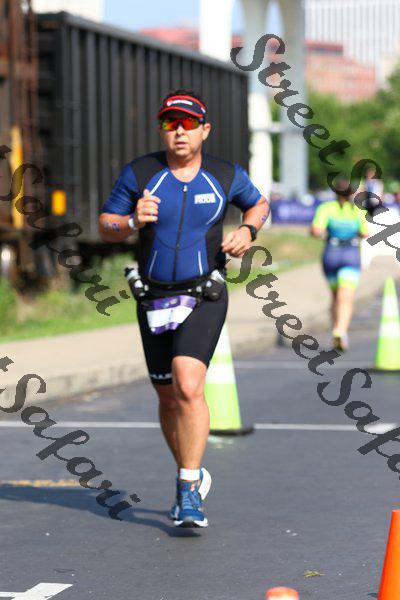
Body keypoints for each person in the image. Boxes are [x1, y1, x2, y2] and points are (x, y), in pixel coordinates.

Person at [98, 89, 269, 527]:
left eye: (188, 123)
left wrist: (247, 231)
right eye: (170, 122)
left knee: (188, 384)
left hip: (203, 294)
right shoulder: (141, 173)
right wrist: (132, 220)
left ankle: (188, 490)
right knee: (167, 395)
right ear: (161, 129)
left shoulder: (224, 174)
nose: (179, 131)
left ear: (204, 130)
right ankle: (188, 470)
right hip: (152, 297)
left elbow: (258, 203)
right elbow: (106, 225)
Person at [311, 183, 369, 352]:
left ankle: (336, 330)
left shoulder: (326, 208)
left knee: (336, 296)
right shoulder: (358, 210)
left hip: (331, 254)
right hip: (350, 255)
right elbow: (365, 233)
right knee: (346, 297)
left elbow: (316, 231)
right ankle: (340, 331)